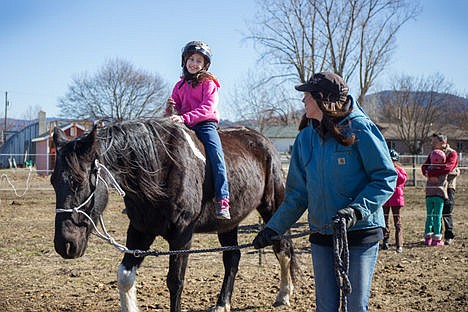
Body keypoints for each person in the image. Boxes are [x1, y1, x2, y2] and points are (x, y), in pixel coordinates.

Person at [252, 72, 397, 311]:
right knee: (325, 307)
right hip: (321, 234)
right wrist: (273, 229)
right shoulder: (304, 138)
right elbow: (298, 195)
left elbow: (384, 177)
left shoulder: (360, 128)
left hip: (360, 232)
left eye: (307, 96)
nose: (302, 101)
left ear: (323, 99)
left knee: (354, 306)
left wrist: (356, 210)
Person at [165, 40, 230, 219]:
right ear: (185, 61)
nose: (194, 63)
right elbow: (175, 110)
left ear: (204, 65)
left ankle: (222, 199)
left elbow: (207, 109)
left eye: (198, 61)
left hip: (204, 125)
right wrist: (170, 109)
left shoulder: (209, 83)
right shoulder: (178, 86)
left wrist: (183, 117)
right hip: (183, 125)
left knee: (217, 157)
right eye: (191, 59)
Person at [421, 133, 459, 245]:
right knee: (434, 211)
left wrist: (431, 173)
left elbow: (447, 168)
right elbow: (424, 167)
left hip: (448, 185)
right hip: (435, 186)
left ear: (443, 142)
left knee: (446, 210)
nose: (432, 144)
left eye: (435, 142)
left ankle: (449, 235)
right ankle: (436, 235)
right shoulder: (432, 154)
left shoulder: (452, 153)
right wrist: (427, 172)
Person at [382, 149, 407, 253]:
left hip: (396, 199)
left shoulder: (400, 170)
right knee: (385, 221)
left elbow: (402, 180)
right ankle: (385, 241)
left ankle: (399, 244)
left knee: (397, 222)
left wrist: (395, 171)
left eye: (394, 160)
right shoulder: (384, 169)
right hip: (386, 198)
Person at [422, 149, 448, 246]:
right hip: (439, 195)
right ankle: (436, 238)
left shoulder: (428, 169)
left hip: (429, 195)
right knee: (437, 216)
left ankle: (428, 237)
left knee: (429, 216)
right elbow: (450, 171)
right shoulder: (443, 170)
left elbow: (425, 171)